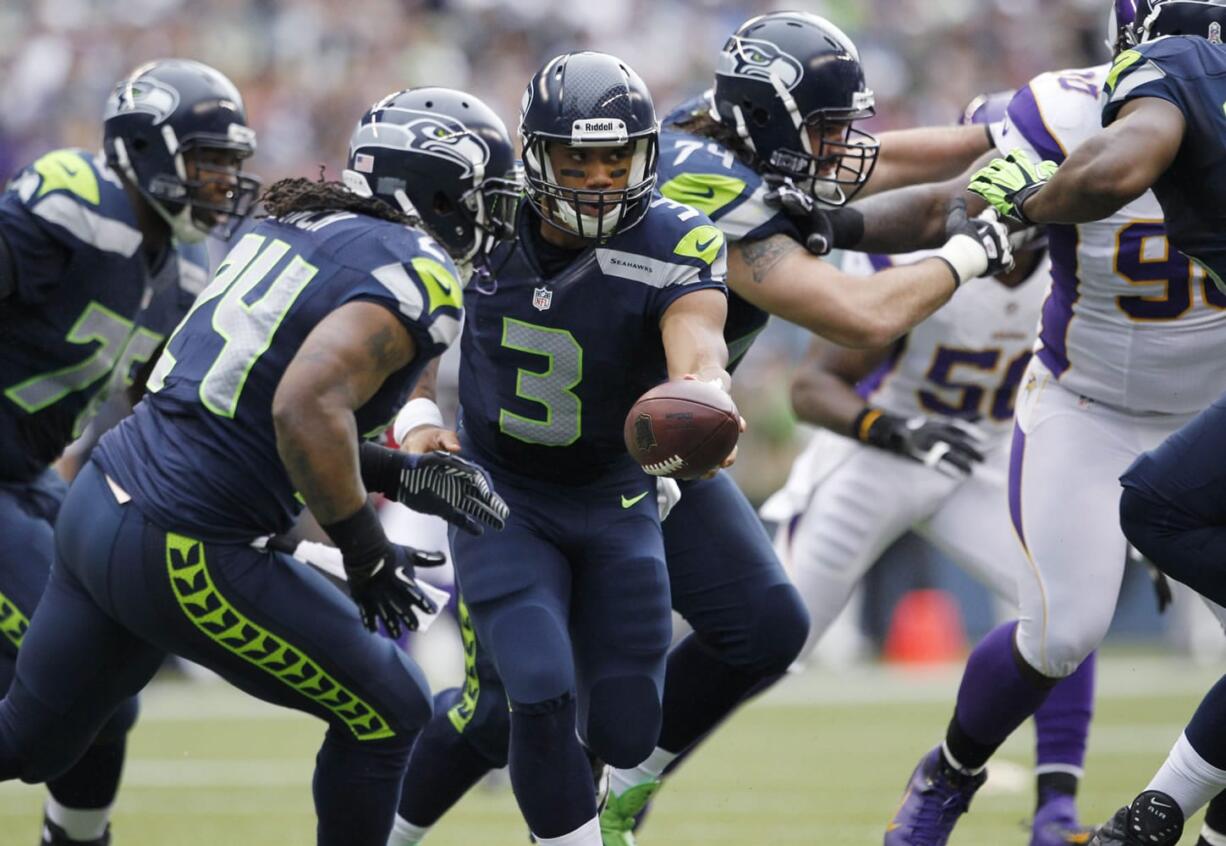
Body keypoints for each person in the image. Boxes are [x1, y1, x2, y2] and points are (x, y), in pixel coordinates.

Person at [386, 15, 1018, 846]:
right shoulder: (654, 202)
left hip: (644, 458)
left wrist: (1001, 131)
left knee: (760, 629)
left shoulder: (685, 143)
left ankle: (623, 784)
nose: (845, 149)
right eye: (824, 131)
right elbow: (860, 313)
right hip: (529, 470)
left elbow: (878, 168)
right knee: (512, 702)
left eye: (617, 163)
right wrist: (973, 247)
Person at [0, 86, 515, 846]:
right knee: (391, 710)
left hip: (101, 506)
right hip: (182, 539)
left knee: (30, 743)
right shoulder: (416, 269)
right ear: (439, 190)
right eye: (485, 195)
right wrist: (363, 551)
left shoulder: (296, 228)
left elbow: (243, 415)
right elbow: (303, 410)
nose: (494, 217)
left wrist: (396, 475)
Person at [823, 1, 1226, 843]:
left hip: (1215, 412)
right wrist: (827, 223)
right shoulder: (1072, 108)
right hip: (1093, 406)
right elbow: (953, 201)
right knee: (1062, 630)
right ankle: (951, 773)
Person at [396, 49, 741, 846]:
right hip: (501, 494)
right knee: (537, 690)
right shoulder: (484, 221)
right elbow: (407, 325)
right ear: (533, 154)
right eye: (575, 159)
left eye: (615, 159)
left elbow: (698, 341)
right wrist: (415, 418)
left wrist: (706, 395)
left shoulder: (674, 237)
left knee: (624, 726)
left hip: (616, 496)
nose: (596, 178)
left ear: (644, 156)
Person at [758, 90, 1102, 846]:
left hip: (985, 453)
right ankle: (627, 774)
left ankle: (1056, 811)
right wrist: (892, 427)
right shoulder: (912, 252)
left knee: (1064, 608)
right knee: (765, 640)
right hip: (878, 451)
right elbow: (812, 386)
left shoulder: (1083, 261)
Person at [0, 58, 257, 846]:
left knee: (109, 690)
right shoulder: (76, 201)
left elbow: (170, 415)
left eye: (228, 165)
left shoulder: (184, 269)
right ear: (145, 150)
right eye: (207, 161)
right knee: (75, 677)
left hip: (29, 477)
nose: (221, 183)